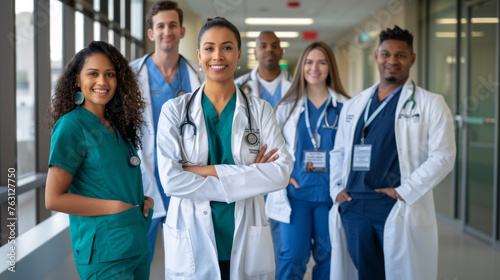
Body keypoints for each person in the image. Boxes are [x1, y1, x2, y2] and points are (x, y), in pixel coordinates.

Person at [156, 17, 293, 279]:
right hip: (192, 233)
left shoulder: (260, 110)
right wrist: (248, 174)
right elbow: (171, 181)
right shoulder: (174, 111)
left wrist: (200, 170)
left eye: (227, 47)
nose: (218, 55)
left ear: (239, 54)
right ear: (199, 55)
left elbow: (280, 172)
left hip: (244, 232)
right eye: (209, 48)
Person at [329, 26, 456, 280]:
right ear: (376, 56)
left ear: (412, 59)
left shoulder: (430, 103)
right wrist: (336, 191)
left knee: (397, 272)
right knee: (364, 273)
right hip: (353, 204)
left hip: (394, 205)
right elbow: (339, 152)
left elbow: (443, 156)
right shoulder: (355, 104)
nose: (392, 61)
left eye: (400, 55)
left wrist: (404, 191)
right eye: (386, 54)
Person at [45, 41, 154, 279]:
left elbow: (111, 180)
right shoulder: (71, 126)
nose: (102, 82)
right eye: (93, 74)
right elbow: (53, 199)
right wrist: (115, 208)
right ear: (76, 79)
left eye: (110, 74)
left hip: (135, 244)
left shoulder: (115, 126)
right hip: (104, 253)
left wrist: (141, 200)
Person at [265, 41, 350, 280]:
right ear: (302, 67)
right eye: (310, 62)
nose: (315, 68)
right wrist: (282, 175)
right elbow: (271, 150)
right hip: (296, 196)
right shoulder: (286, 108)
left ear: (330, 67)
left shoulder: (345, 108)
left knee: (329, 257)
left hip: (330, 197)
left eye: (322, 62)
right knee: (292, 257)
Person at [129, 0, 203, 262]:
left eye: (173, 25)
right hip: (145, 178)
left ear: (182, 31)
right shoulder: (131, 74)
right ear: (151, 33)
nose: (167, 31)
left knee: (187, 259)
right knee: (140, 258)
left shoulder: (198, 75)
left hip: (185, 175)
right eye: (160, 26)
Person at [235, 31, 292, 108]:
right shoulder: (238, 86)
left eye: (274, 46)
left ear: (281, 52)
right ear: (255, 53)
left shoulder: (296, 85)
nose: (269, 49)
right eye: (263, 46)